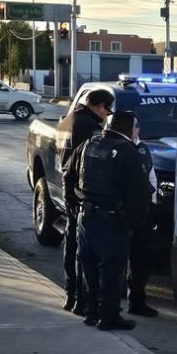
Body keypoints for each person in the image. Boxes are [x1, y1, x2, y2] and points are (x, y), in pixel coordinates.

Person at [63, 110, 152, 330]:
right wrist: (132, 223)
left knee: (89, 269)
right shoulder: (127, 151)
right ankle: (109, 317)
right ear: (127, 128)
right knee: (111, 271)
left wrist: (72, 206)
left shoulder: (89, 145)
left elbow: (68, 175)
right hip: (112, 220)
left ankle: (90, 312)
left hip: (86, 218)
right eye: (134, 128)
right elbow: (140, 193)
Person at [56, 88, 115, 314]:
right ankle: (81, 299)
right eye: (107, 111)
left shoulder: (66, 120)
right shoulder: (91, 127)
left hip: (66, 183)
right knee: (84, 250)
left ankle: (70, 294)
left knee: (70, 245)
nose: (106, 115)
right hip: (82, 191)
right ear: (99, 106)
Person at [126, 124, 159, 317]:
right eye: (132, 126)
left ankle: (136, 301)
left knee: (140, 261)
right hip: (121, 214)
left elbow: (151, 179)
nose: (135, 129)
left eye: (137, 126)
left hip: (143, 214)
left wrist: (152, 207)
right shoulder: (119, 148)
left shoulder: (142, 148)